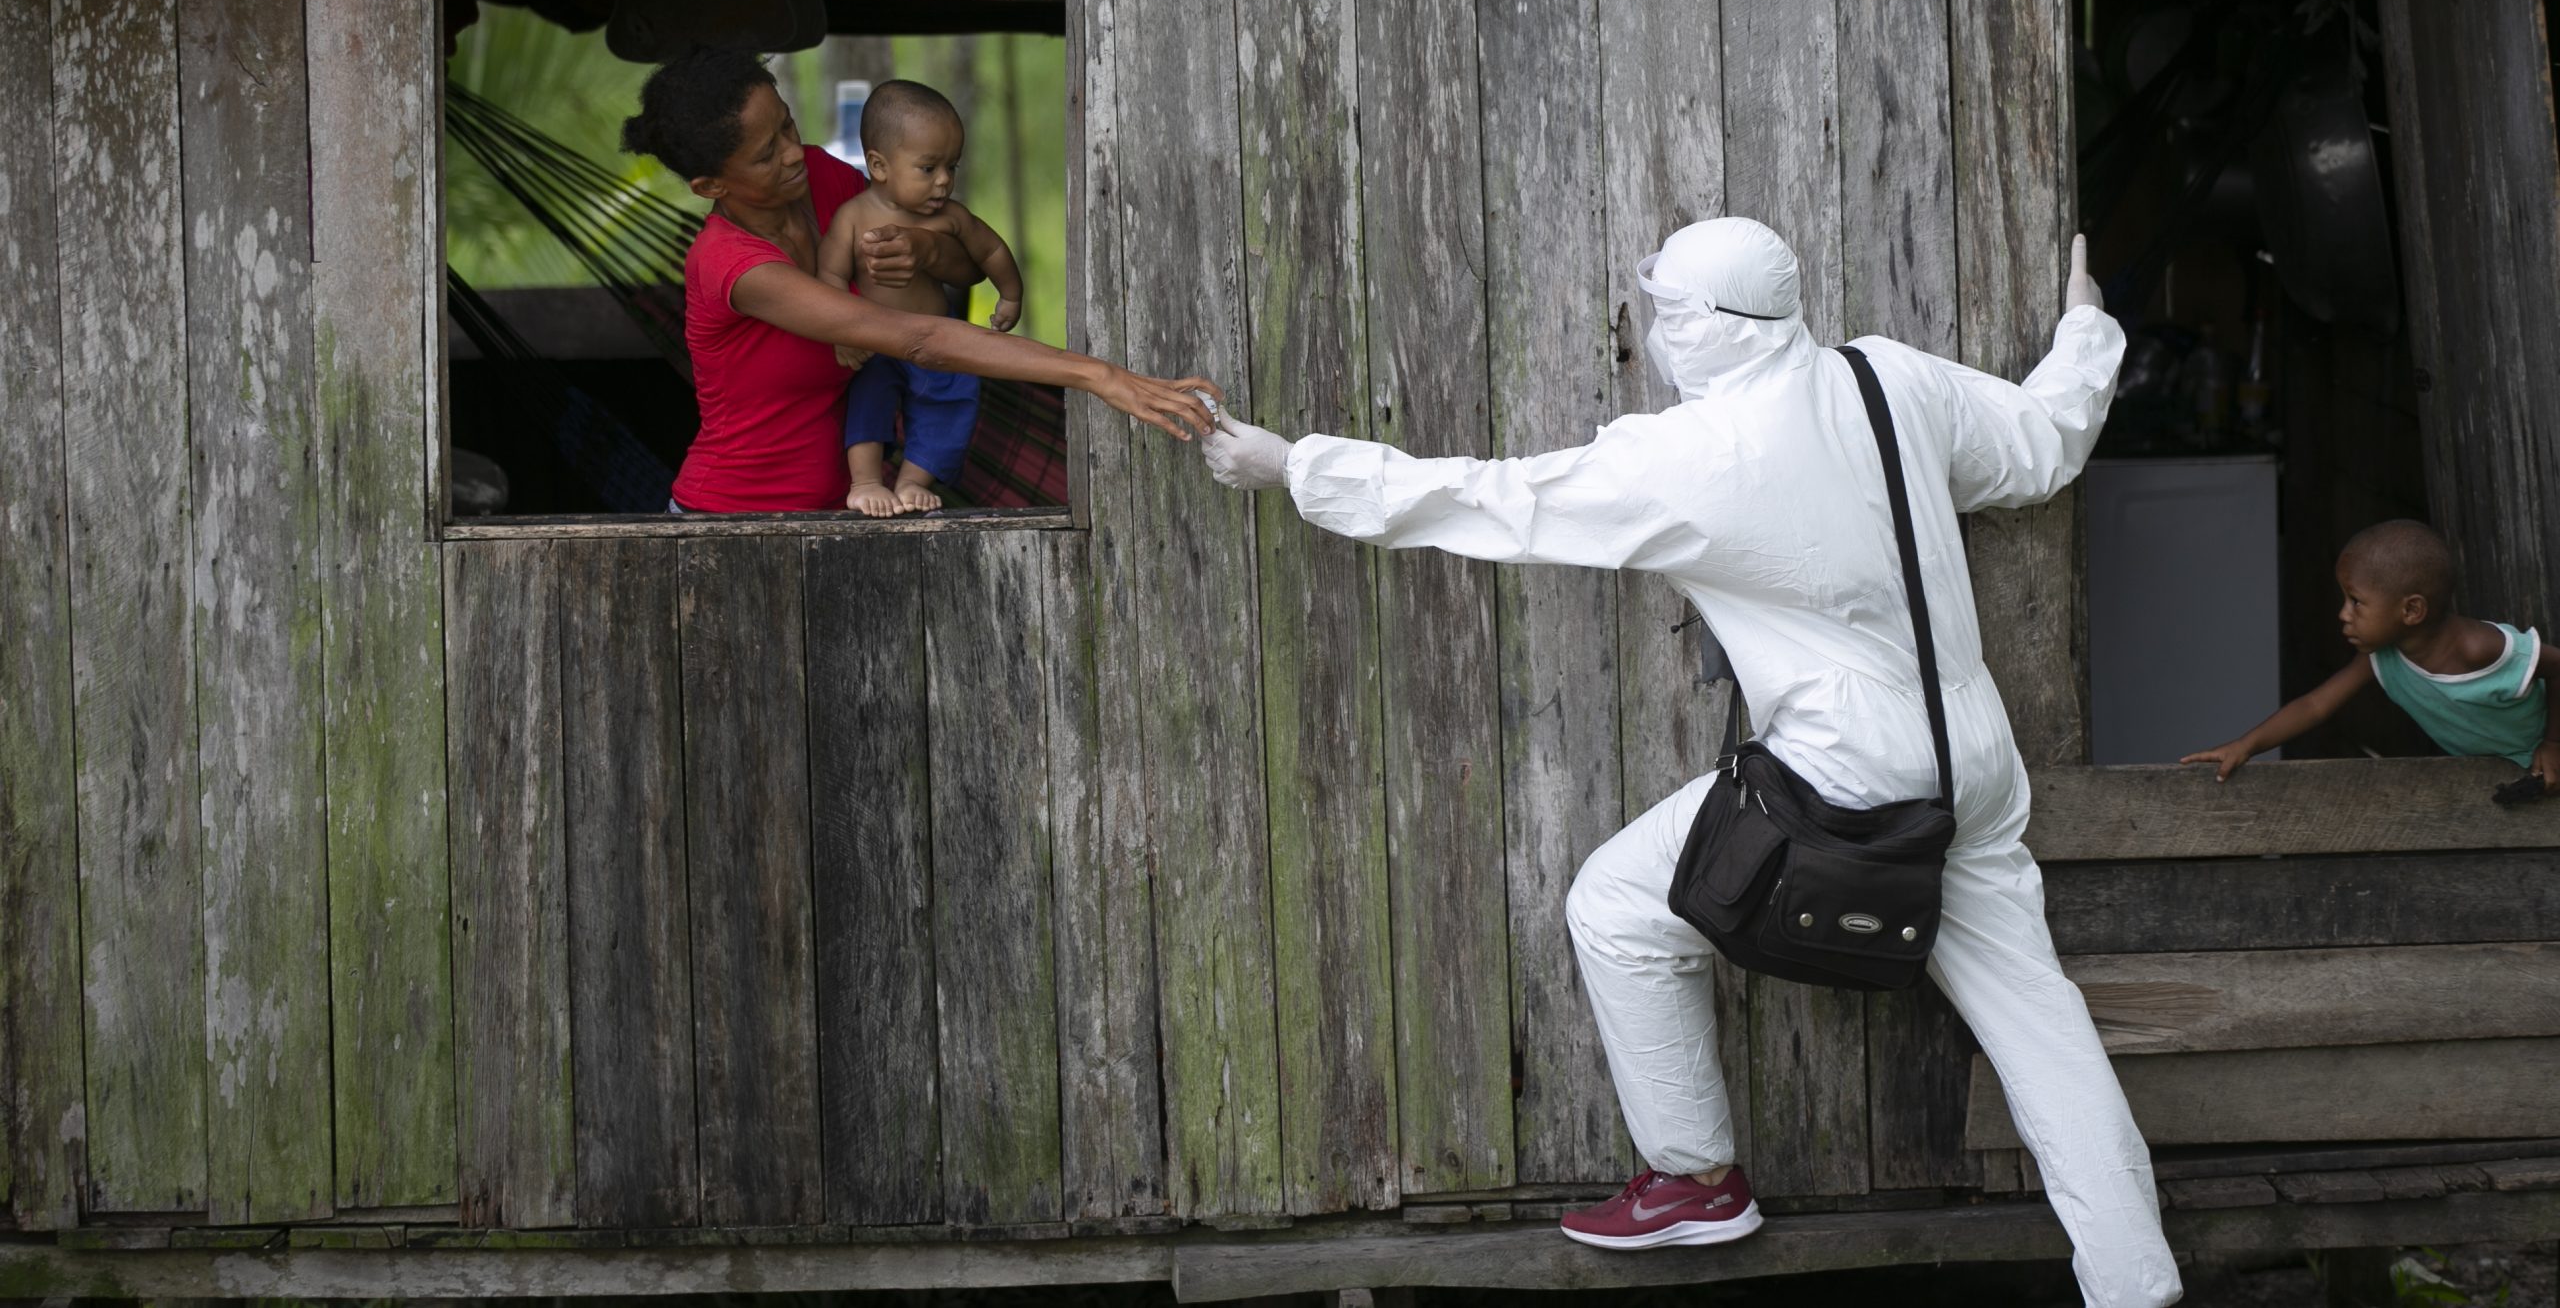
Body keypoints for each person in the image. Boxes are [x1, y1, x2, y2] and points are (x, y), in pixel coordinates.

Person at [1199, 218, 2181, 1307]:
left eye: (1667, 313)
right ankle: (2136, 1286)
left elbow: (1491, 499)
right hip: (1974, 768)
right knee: (2040, 1027)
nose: (1657, 332)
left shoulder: (1691, 459)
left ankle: (1695, 1178)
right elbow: (2044, 444)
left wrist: (1293, 466)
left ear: (1708, 327)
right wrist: (2086, 329)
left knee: (1615, 905)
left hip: (1845, 780)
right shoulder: (1882, 378)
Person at [621, 48, 1216, 513]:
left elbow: (958, 279)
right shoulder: (729, 264)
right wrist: (1098, 374)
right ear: (711, 187)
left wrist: (928, 251)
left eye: (786, 126)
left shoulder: (824, 180)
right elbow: (914, 338)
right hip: (735, 518)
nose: (792, 153)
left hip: (854, 506)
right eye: (763, 155)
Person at [2182, 519, 2560, 792]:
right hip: (2507, 773)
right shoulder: (2384, 657)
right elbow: (2315, 705)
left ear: (2411, 611)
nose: (2343, 614)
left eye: (2356, 601)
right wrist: (2245, 746)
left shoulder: (2479, 650)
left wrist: (2553, 743)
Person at [817, 79, 1025, 517]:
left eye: (953, 166)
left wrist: (1010, 294)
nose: (945, 180)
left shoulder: (951, 217)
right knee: (866, 400)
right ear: (879, 165)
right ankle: (866, 481)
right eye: (928, 168)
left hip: (937, 341)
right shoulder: (853, 217)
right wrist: (842, 333)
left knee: (953, 401)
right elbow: (831, 274)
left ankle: (913, 480)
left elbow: (990, 250)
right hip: (876, 341)